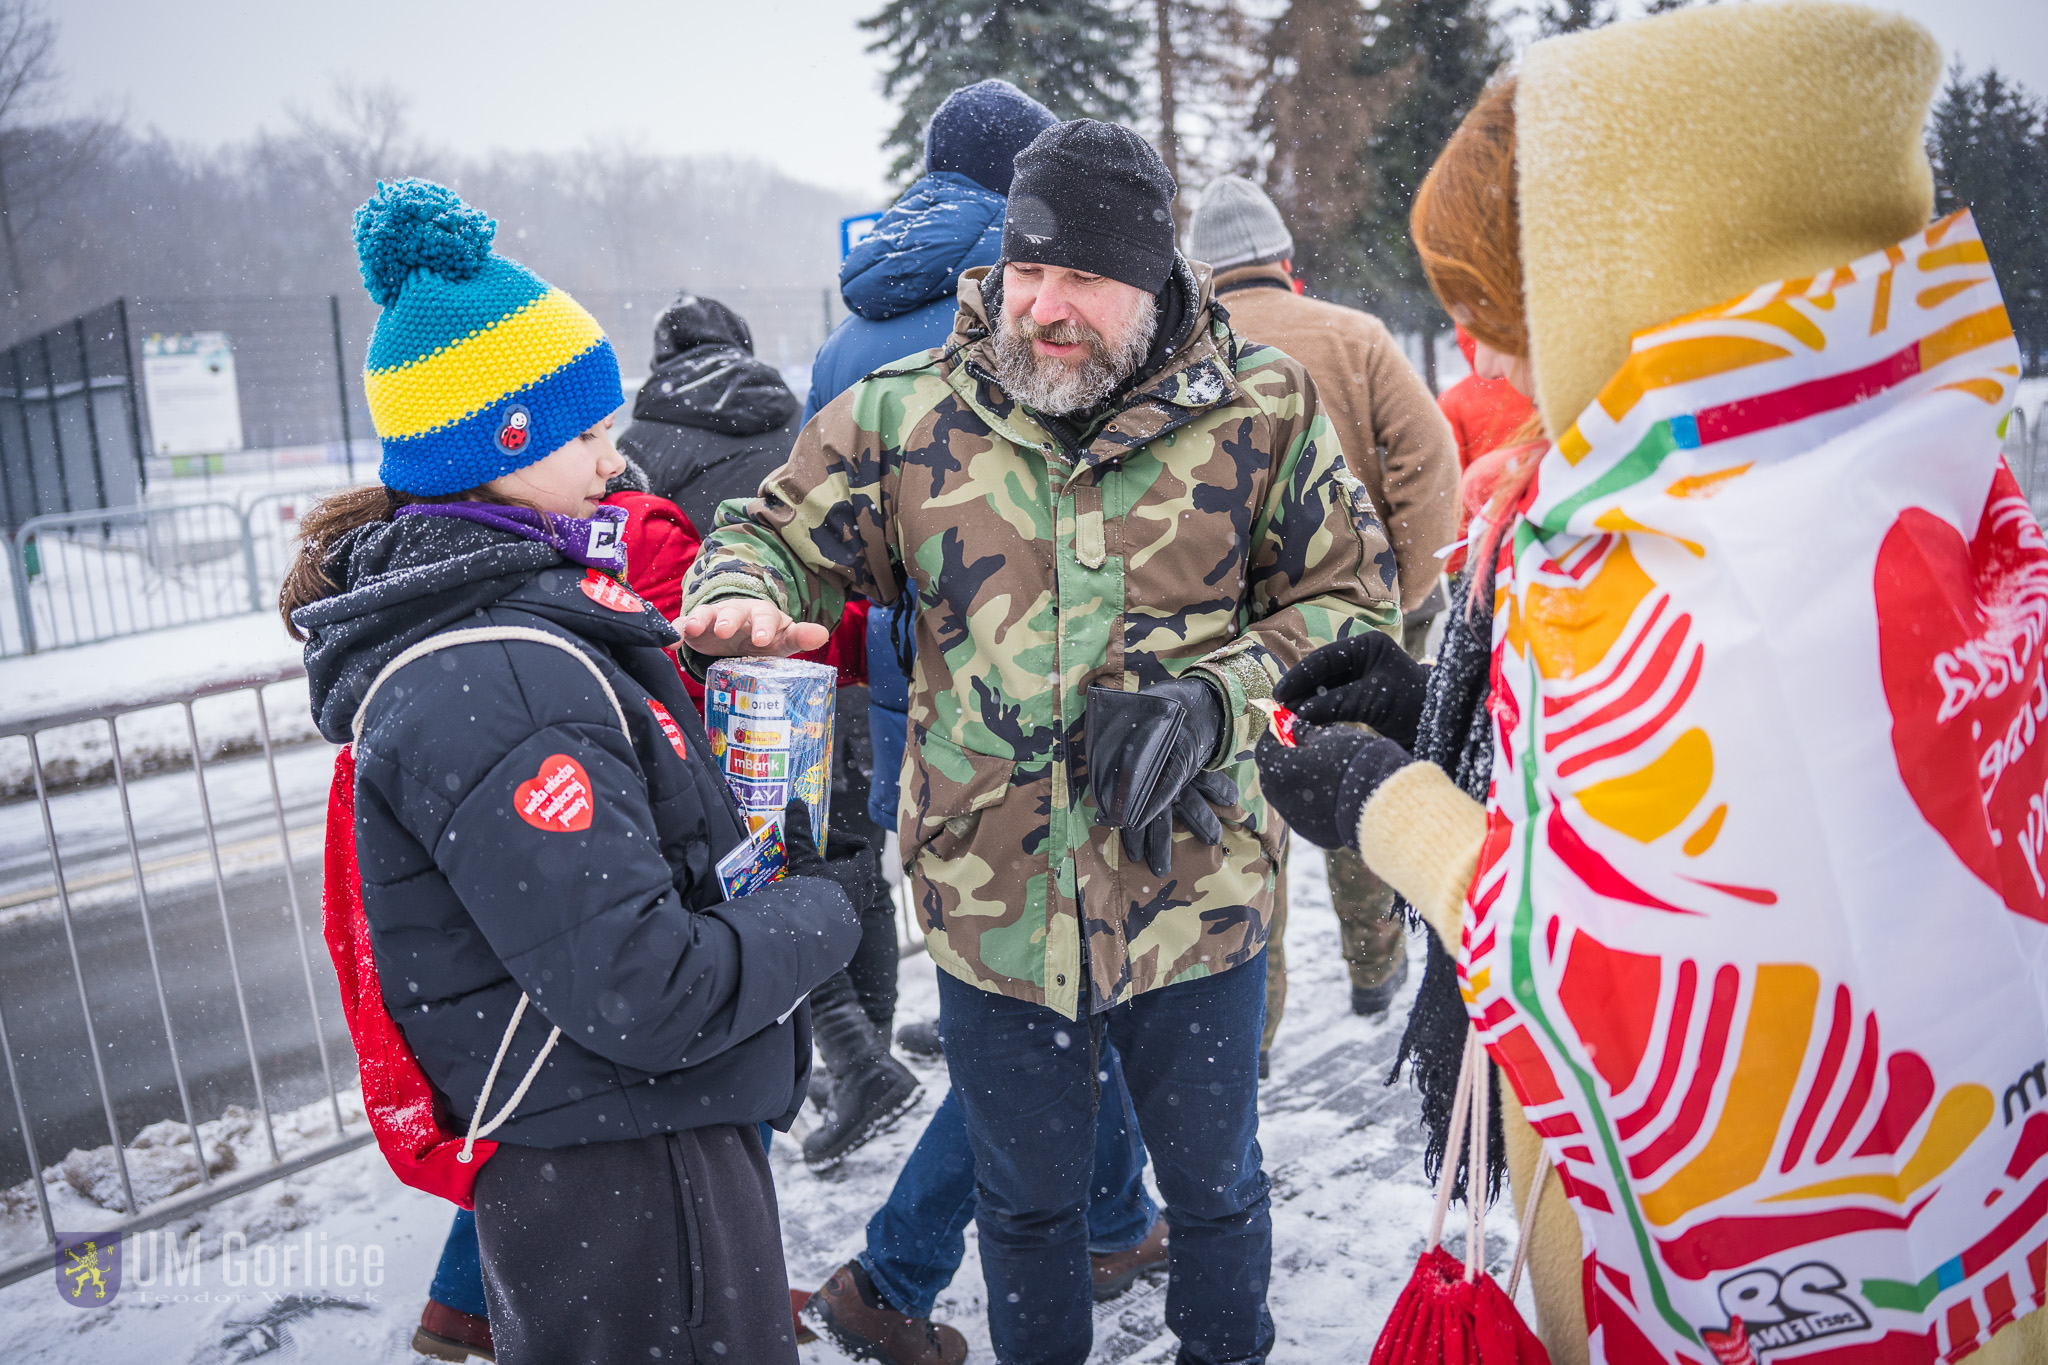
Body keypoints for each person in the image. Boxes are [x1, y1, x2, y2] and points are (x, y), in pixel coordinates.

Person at [1256, 7, 2048, 1364]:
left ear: (1643, 270)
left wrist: (1390, 806)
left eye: (1503, 312)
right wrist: (1432, 714)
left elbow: (1644, 964)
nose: (1492, 363)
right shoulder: (1851, 473)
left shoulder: (1751, 563)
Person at [680, 118, 1399, 1365]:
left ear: (1151, 280)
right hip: (990, 902)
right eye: (1026, 272)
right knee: (1023, 1213)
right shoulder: (909, 416)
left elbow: (1351, 610)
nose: (1044, 308)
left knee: (1217, 1196)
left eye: (1080, 280)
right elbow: (770, 528)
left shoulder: (1260, 407)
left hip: (1199, 896)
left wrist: (1215, 699)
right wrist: (740, 588)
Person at [286, 178, 865, 1365]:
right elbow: (643, 989)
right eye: (589, 434)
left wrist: (698, 704)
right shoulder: (496, 674)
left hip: (620, 1157)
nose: (616, 463)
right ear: (503, 440)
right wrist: (825, 912)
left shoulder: (516, 634)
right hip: (629, 1177)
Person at [790, 80, 1171, 1365]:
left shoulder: (855, 311)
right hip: (1035, 688)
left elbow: (834, 508)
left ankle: (1115, 1217)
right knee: (1045, 1008)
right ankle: (889, 1276)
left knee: (1046, 986)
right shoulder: (1017, 290)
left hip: (920, 693)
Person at [1186, 175, 1461, 1072]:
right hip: (1350, 623)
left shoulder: (1188, 350)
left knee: (1244, 827)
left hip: (1228, 640)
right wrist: (1400, 592)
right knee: (1356, 788)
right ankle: (1373, 965)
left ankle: (1247, 1037)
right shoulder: (1356, 337)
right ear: (1284, 259)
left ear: (1200, 269)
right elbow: (1430, 464)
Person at [616, 292, 802, 538]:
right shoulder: (801, 417)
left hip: (696, 572)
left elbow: (623, 536)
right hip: (802, 570)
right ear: (742, 340)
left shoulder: (642, 442)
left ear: (661, 355)